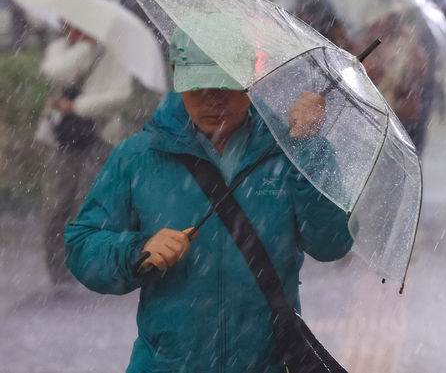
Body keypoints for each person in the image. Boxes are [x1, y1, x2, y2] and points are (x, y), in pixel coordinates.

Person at [64, 30, 353, 373]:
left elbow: (332, 243)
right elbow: (82, 244)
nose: (213, 100)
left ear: (250, 81)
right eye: (198, 87)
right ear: (178, 80)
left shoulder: (290, 152)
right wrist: (137, 250)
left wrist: (307, 150)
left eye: (226, 86)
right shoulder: (139, 156)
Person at [35, 22, 132, 285]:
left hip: (99, 137)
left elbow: (121, 95)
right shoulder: (58, 49)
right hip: (62, 138)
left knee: (92, 203)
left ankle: (89, 266)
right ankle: (58, 270)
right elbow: (57, 75)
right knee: (56, 205)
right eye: (64, 23)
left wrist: (77, 106)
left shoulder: (112, 52)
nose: (68, 29)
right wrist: (84, 49)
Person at [360, 13, 432, 155]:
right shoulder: (371, 43)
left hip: (403, 115)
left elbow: (422, 74)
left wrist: (410, 47)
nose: (384, 23)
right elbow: (365, 72)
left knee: (406, 157)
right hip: (379, 113)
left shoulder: (408, 41)